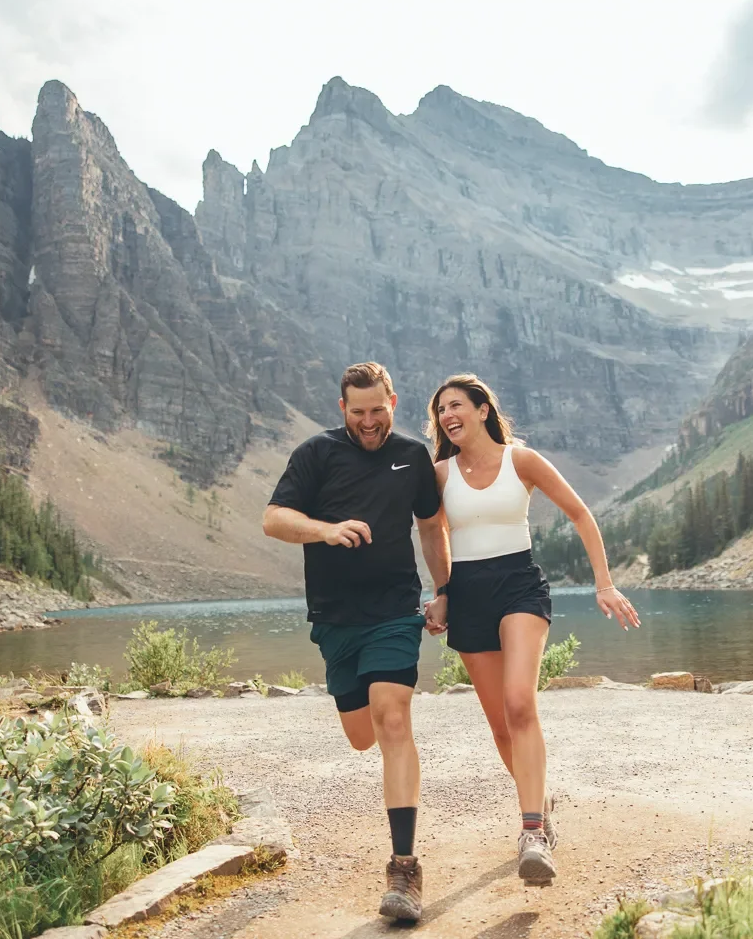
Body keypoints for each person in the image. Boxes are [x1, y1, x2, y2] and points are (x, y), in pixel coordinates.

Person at [423, 373, 639, 884]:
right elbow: (433, 534)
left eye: (455, 405)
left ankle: (533, 832)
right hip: (468, 594)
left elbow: (580, 513)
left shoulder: (521, 460)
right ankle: (539, 798)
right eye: (440, 411)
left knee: (520, 703)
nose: (447, 415)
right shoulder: (439, 474)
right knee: (501, 727)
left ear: (482, 409)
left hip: (520, 587)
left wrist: (604, 583)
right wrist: (443, 592)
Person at [262, 362, 450, 923]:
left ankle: (404, 867)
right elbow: (273, 519)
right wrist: (325, 529)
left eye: (378, 411)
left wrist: (444, 590)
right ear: (342, 408)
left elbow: (432, 526)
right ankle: (402, 851)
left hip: (395, 611)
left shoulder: (413, 456)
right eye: (359, 412)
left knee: (392, 720)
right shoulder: (316, 454)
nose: (369, 422)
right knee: (361, 736)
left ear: (394, 402)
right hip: (336, 619)